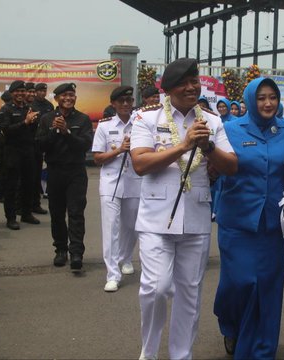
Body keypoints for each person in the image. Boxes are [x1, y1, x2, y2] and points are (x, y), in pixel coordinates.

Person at [130, 58, 238, 360]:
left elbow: (231, 167)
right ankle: (148, 352)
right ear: (168, 88)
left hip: (196, 217)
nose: (192, 87)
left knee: (190, 293)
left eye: (195, 80)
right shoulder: (146, 118)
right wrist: (182, 146)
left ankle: (181, 354)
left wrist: (208, 147)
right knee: (156, 288)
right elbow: (139, 163)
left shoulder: (212, 122)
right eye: (184, 82)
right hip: (156, 219)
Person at [213, 77, 284, 359]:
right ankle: (231, 324)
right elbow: (214, 172)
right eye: (261, 97)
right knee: (238, 284)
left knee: (267, 287)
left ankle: (261, 349)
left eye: (272, 97)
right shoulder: (229, 130)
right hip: (237, 222)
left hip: (275, 224)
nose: (267, 103)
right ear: (251, 100)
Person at [36, 83, 93, 271]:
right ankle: (60, 250)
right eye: (65, 95)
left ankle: (76, 252)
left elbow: (84, 146)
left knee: (76, 213)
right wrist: (54, 130)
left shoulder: (83, 119)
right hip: (55, 172)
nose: (69, 98)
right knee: (57, 213)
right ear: (57, 98)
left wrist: (67, 132)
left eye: (72, 95)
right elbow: (41, 145)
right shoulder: (46, 119)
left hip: (76, 172)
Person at [92, 86, 141, 292]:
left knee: (132, 225)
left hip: (135, 180)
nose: (125, 104)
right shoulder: (105, 126)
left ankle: (126, 257)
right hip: (111, 182)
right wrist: (120, 150)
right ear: (113, 104)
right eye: (121, 101)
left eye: (128, 100)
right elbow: (97, 158)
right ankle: (112, 274)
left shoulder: (140, 124)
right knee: (111, 227)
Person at [0, 80, 41, 230]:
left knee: (29, 183)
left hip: (28, 151)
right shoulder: (6, 110)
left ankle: (26, 213)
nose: (21, 94)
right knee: (11, 185)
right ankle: (11, 218)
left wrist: (34, 121)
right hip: (12, 152)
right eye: (17, 91)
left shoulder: (29, 108)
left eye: (23, 91)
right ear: (12, 93)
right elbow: (6, 130)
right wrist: (25, 123)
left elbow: (34, 130)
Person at [31, 83, 54, 213]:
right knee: (32, 175)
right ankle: (29, 203)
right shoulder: (31, 106)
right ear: (35, 92)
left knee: (44, 170)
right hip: (33, 143)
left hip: (46, 142)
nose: (42, 93)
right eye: (40, 90)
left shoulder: (48, 105)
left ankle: (37, 201)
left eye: (44, 90)